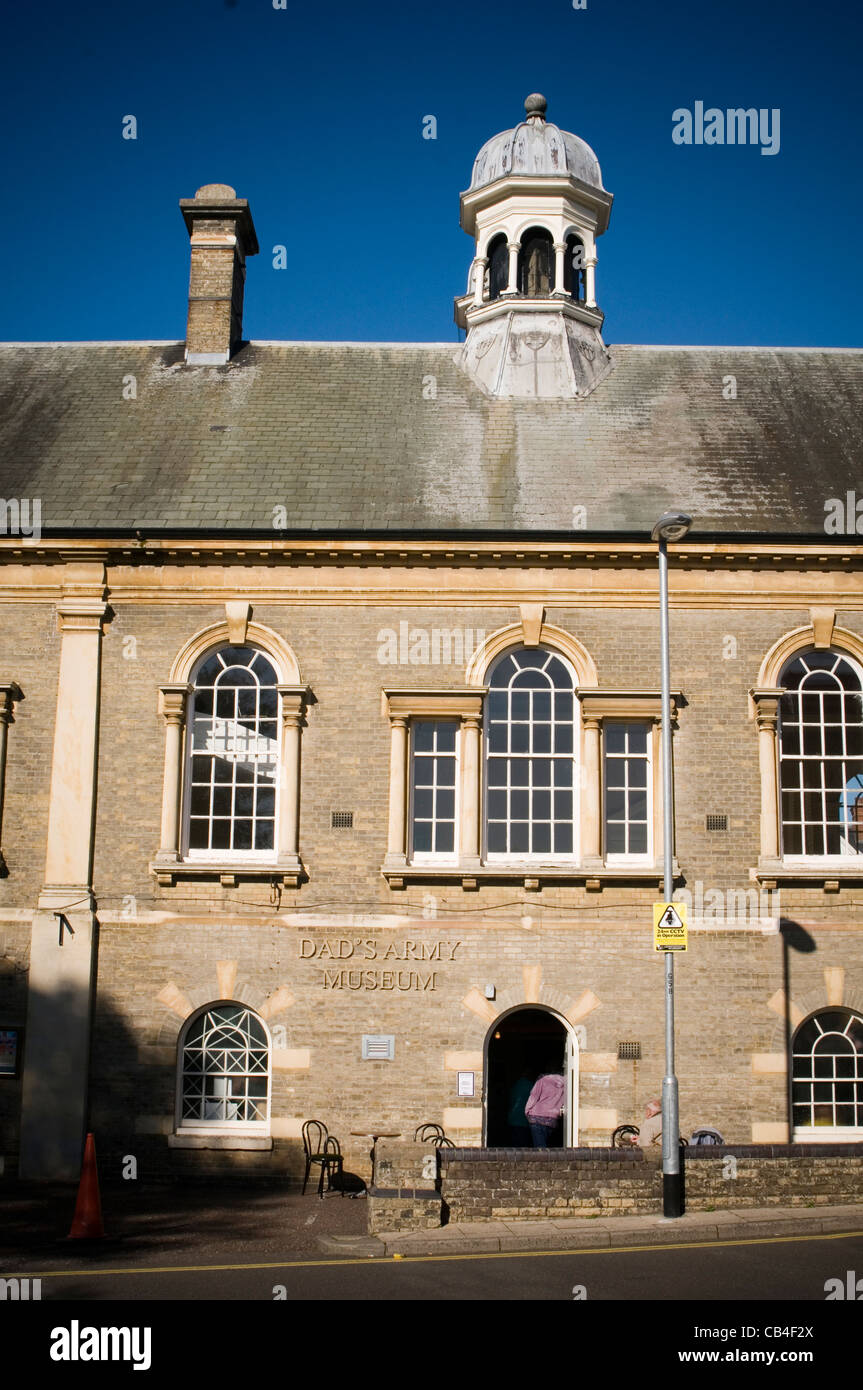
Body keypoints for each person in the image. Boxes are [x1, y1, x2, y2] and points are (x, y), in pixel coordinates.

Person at [524, 1071, 565, 1148]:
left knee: (540, 1148)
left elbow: (533, 1096)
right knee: (549, 1147)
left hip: (536, 1117)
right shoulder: (567, 1083)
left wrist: (527, 1111)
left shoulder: (542, 1080)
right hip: (552, 1119)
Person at [506, 1070, 533, 1146]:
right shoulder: (531, 1085)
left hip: (513, 1117)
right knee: (524, 1143)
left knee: (514, 1143)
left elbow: (510, 1100)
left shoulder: (515, 1085)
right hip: (524, 1118)